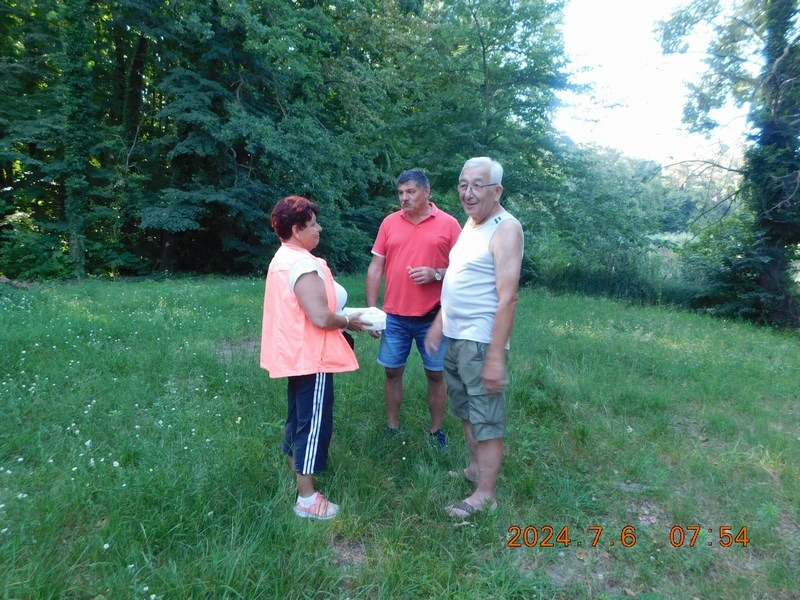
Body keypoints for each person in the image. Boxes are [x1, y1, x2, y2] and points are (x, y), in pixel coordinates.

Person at [261, 195, 371, 520]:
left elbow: (310, 310)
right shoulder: (301, 264)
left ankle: (296, 474)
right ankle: (307, 500)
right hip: (314, 356)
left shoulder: (284, 258)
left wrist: (352, 319)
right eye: (313, 224)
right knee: (313, 425)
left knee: (298, 417)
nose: (319, 228)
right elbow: (321, 317)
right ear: (297, 230)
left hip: (298, 354)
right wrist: (350, 321)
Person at [425, 157, 524, 517]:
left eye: (477, 185)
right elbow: (459, 280)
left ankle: (486, 495)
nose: (468, 192)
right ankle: (474, 469)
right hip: (457, 337)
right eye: (463, 184)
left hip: (481, 342)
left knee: (486, 419)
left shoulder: (506, 228)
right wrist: (440, 323)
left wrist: (496, 356)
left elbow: (508, 296)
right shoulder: (471, 223)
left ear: (497, 191)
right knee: (467, 411)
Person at [365, 168, 462, 446]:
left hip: (434, 316)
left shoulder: (449, 224)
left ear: (426, 191)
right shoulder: (389, 223)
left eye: (411, 191)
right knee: (392, 371)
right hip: (394, 316)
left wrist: (436, 274)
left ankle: (436, 431)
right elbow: (376, 267)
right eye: (400, 193)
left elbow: (463, 270)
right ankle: (392, 427)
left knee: (436, 374)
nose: (404, 198)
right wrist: (372, 312)